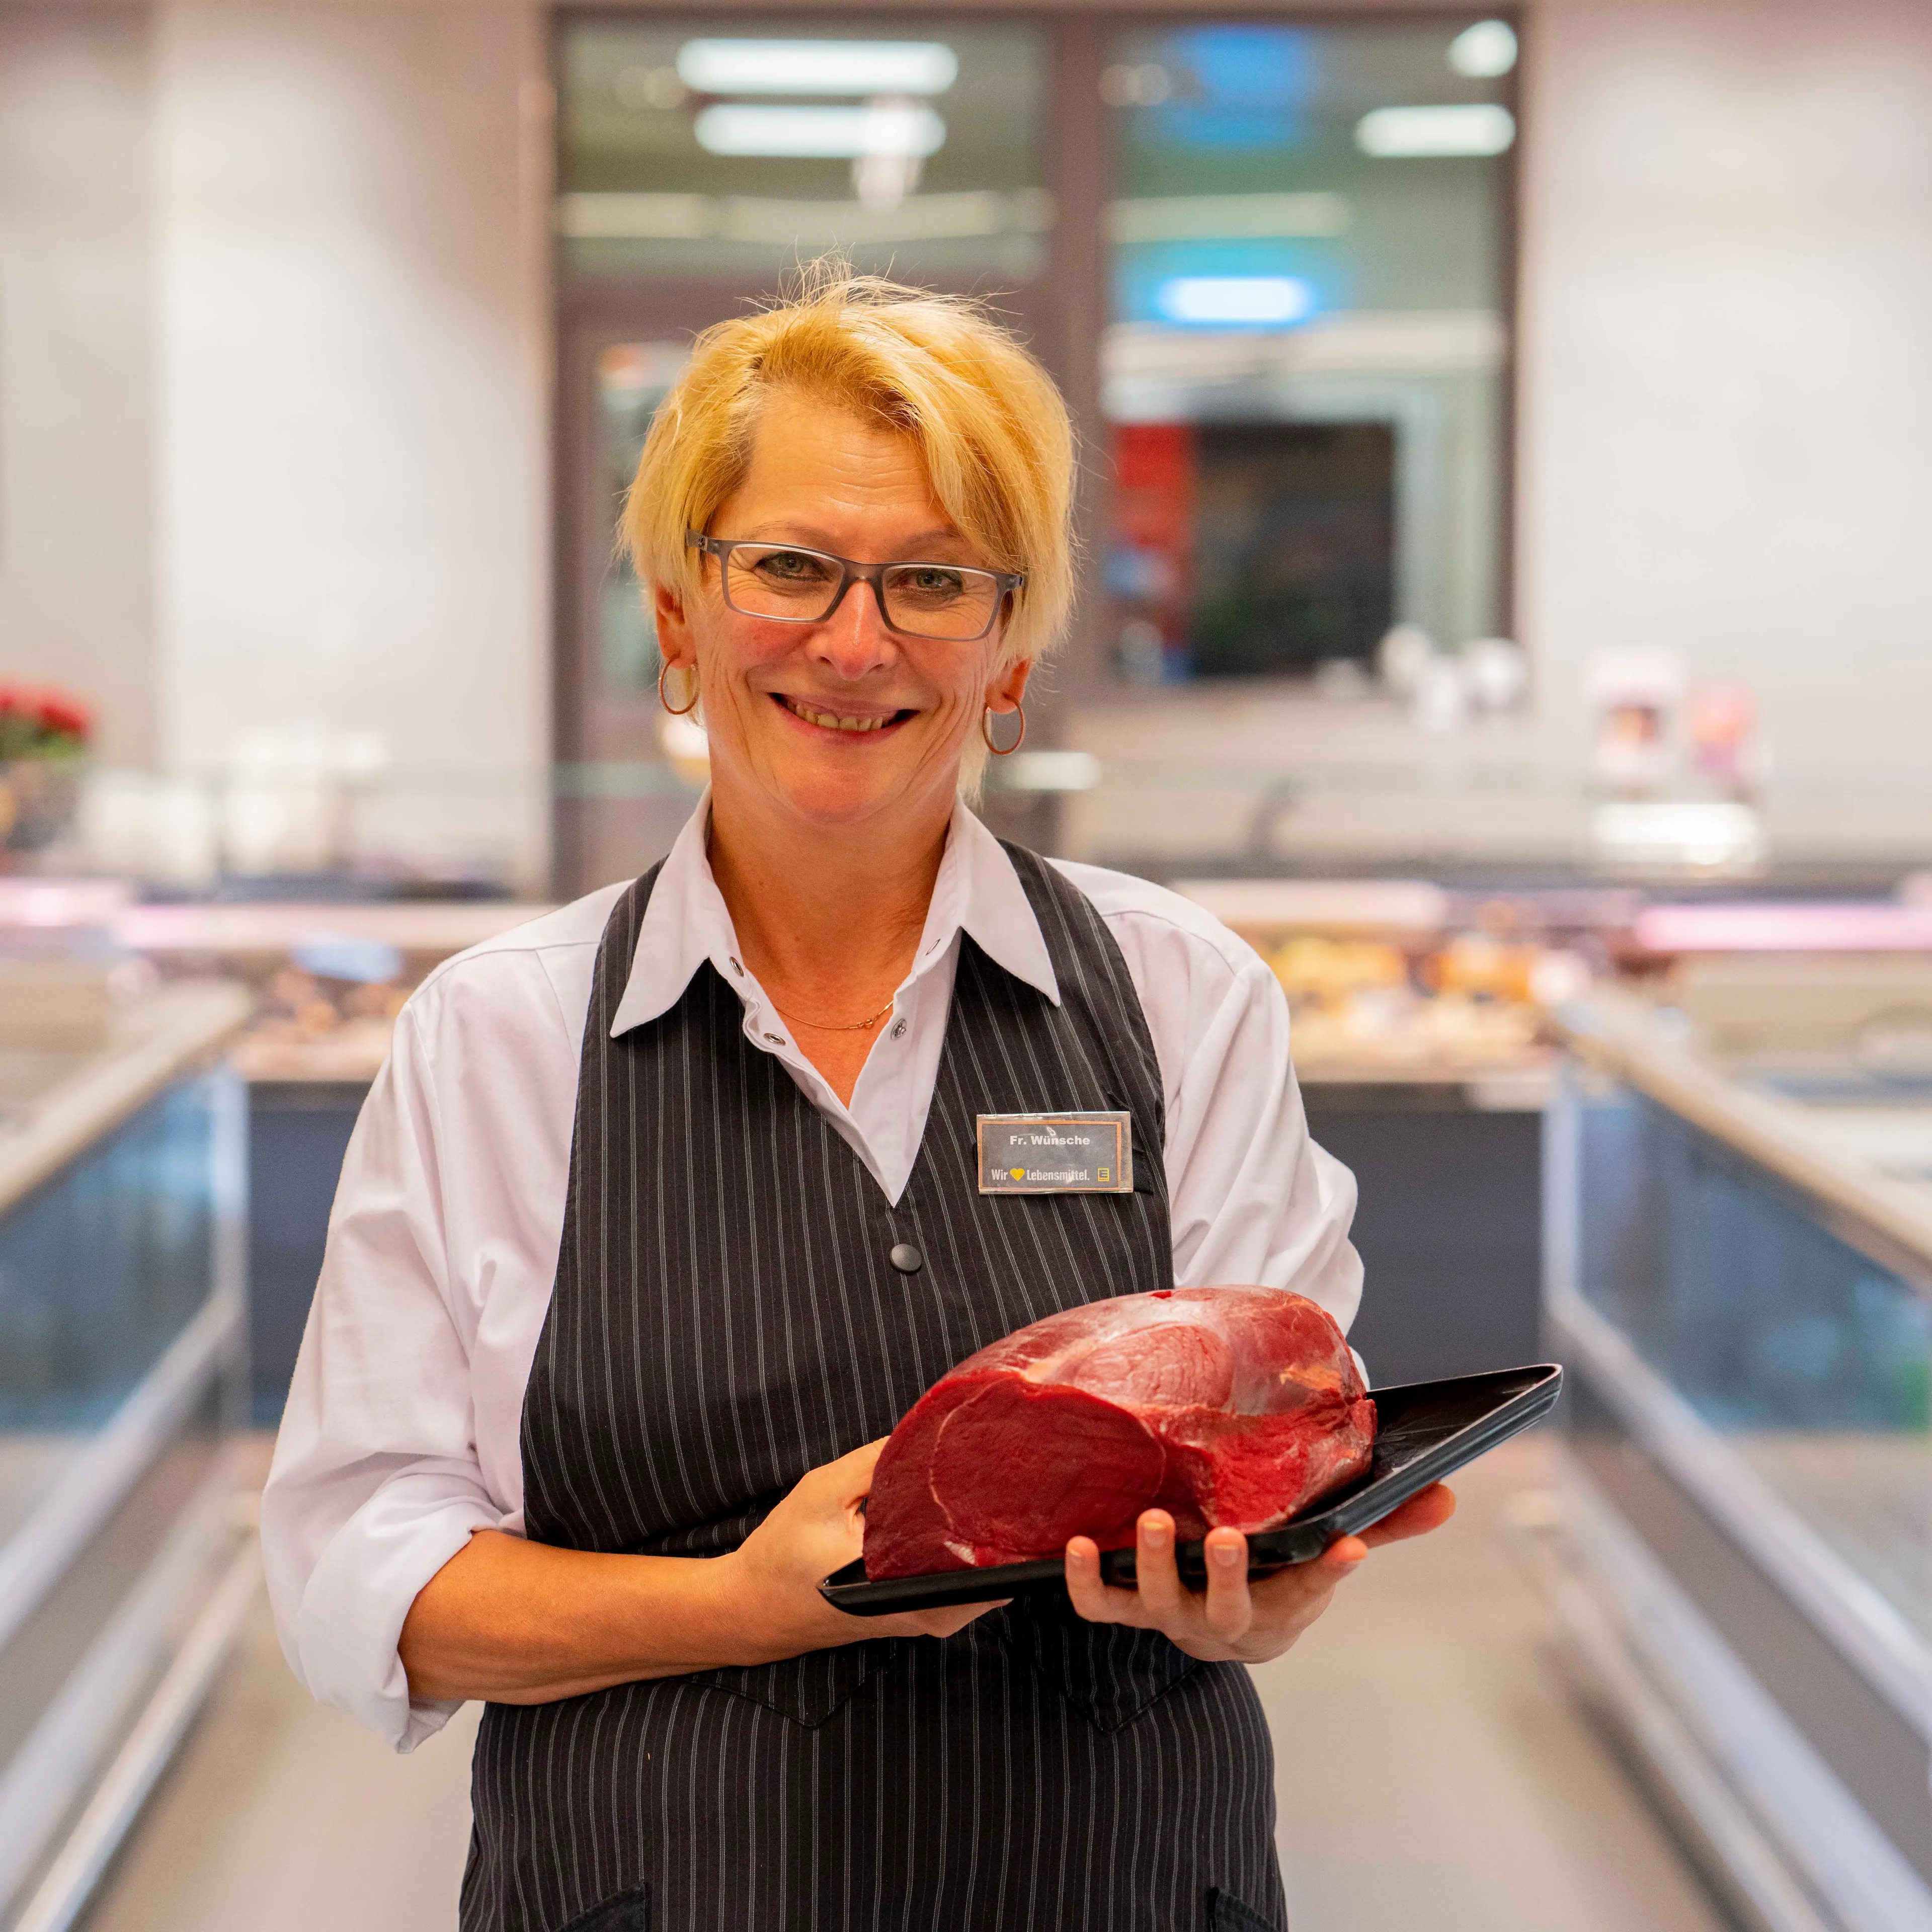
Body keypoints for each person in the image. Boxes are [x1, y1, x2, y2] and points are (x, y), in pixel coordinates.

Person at [261, 267, 1453, 1932]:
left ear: (1014, 650)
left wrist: (1259, 1604)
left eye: (934, 580)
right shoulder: (499, 1038)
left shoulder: (1181, 997)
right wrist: (744, 1605)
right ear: (681, 617)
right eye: (790, 566)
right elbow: (363, 1578)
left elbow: (1287, 1452)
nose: (855, 639)